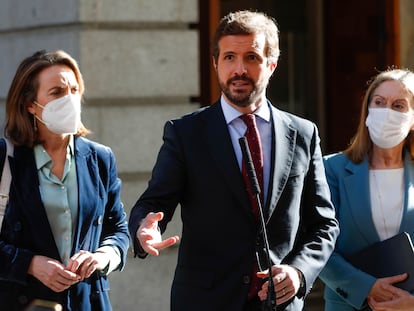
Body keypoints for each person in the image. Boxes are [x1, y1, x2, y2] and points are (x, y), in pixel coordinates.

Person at [129, 10, 339, 311]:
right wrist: (144, 227)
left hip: (278, 303)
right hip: (205, 301)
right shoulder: (186, 133)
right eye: (229, 57)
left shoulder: (303, 134)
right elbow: (153, 203)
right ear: (215, 63)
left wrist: (299, 272)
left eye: (251, 57)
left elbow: (324, 225)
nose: (239, 69)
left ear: (272, 64)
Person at [0, 50, 130, 311]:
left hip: (87, 303)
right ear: (30, 104)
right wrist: (30, 264)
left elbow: (118, 229)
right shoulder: (6, 158)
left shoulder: (99, 158)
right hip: (20, 302)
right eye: (57, 92)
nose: (69, 100)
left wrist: (102, 257)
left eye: (73, 90)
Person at [319, 68, 414, 311]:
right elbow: (317, 244)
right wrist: (366, 287)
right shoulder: (332, 169)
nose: (387, 112)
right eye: (379, 102)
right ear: (367, 111)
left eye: (399, 106)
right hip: (348, 305)